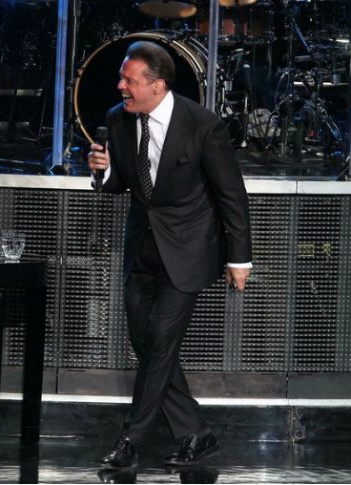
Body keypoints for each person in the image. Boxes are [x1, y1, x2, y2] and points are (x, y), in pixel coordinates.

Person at [87, 41, 253, 468]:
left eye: (129, 80)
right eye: (122, 78)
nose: (120, 86)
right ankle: (196, 434)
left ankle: (130, 441)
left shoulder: (202, 125)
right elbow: (120, 183)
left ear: (157, 85)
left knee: (161, 342)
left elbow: (231, 194)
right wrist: (103, 172)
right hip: (142, 248)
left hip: (188, 249)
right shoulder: (117, 119)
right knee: (146, 343)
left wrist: (239, 259)